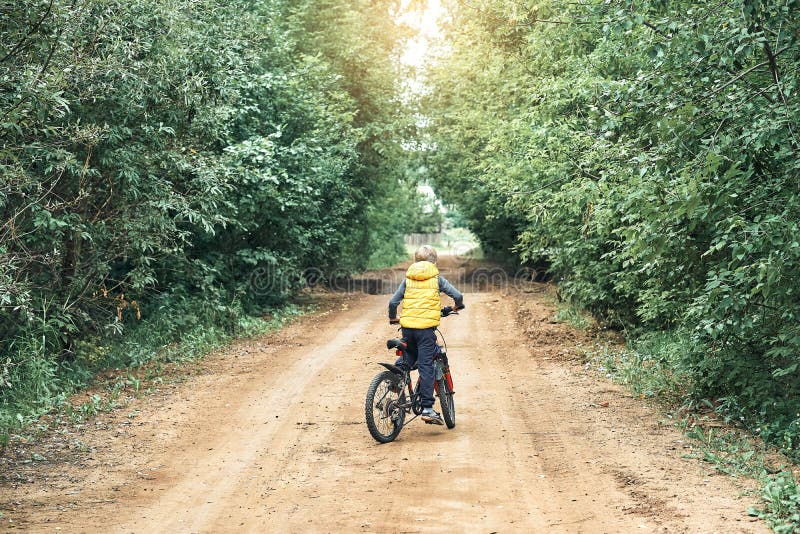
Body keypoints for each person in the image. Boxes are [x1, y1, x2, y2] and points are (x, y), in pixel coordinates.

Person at [388, 245, 464, 425]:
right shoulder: (436, 279)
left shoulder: (408, 279)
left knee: (409, 356)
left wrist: (393, 318)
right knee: (426, 366)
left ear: (415, 261)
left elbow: (393, 302)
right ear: (434, 262)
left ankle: (395, 379)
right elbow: (457, 295)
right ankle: (428, 409)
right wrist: (456, 306)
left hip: (407, 328)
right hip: (425, 331)